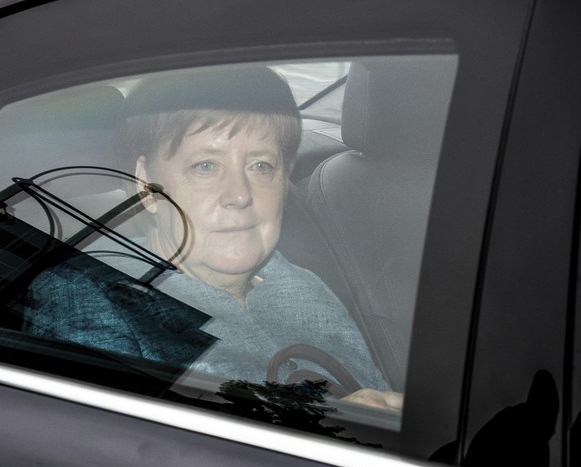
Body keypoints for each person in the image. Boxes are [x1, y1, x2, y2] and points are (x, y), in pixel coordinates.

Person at [25, 65, 399, 409]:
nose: (239, 194)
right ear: (146, 185)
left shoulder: (307, 286)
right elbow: (116, 461)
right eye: (206, 166)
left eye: (260, 165)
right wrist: (329, 427)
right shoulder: (91, 298)